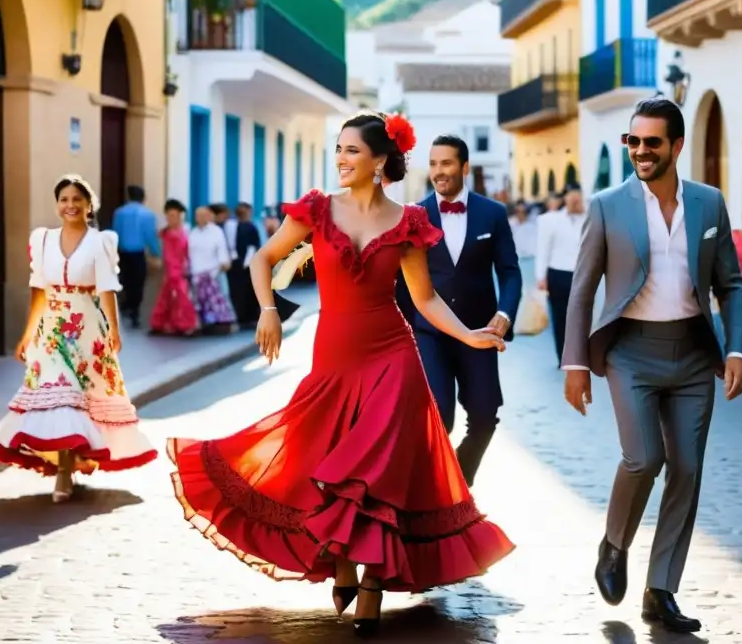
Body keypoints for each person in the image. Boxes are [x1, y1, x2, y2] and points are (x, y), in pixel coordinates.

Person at [166, 112, 514, 638]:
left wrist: (467, 335)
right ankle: (344, 562)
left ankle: (372, 582)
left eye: (352, 151)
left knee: (377, 470)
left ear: (379, 161)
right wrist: (267, 311)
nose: (342, 159)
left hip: (392, 357)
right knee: (325, 461)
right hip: (333, 357)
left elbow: (424, 298)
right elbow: (263, 259)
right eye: (339, 149)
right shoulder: (315, 210)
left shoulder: (408, 223)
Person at [561, 97, 742, 634]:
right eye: (632, 141)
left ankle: (660, 588)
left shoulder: (710, 204)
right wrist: (576, 362)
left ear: (676, 146)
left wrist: (737, 348)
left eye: (651, 142)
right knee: (644, 459)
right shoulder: (606, 205)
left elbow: (731, 285)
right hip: (631, 354)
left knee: (687, 469)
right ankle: (614, 543)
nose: (640, 151)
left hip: (693, 355)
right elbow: (582, 290)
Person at [0, 175, 157, 502]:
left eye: (77, 199)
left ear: (88, 205)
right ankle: (63, 472)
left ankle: (73, 460)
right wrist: (26, 335)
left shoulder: (101, 241)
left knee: (82, 400)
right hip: (50, 332)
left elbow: (107, 291)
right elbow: (38, 290)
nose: (70, 205)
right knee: (60, 398)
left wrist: (114, 331)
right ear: (57, 204)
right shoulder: (43, 240)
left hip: (87, 331)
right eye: (64, 199)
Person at [400, 134, 522, 487]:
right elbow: (402, 283)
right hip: (431, 334)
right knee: (440, 417)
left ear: (464, 167)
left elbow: (510, 272)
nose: (439, 171)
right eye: (434, 164)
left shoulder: (493, 214)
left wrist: (505, 313)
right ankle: (433, 494)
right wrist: (407, 331)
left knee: (485, 416)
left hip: (480, 333)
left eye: (447, 163)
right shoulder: (414, 215)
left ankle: (457, 482)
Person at [535, 182, 586, 365]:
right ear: (564, 198)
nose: (575, 199)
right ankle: (563, 357)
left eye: (578, 195)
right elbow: (543, 250)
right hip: (557, 274)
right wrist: (541, 276)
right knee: (559, 317)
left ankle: (580, 355)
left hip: (582, 275)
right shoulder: (550, 220)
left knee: (581, 317)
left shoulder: (589, 218)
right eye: (571, 195)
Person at [111, 184, 161, 329]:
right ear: (143, 198)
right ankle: (135, 312)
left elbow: (115, 232)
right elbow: (150, 236)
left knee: (125, 281)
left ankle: (125, 306)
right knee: (138, 282)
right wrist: (156, 252)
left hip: (123, 253)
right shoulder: (148, 214)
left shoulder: (119, 213)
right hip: (138, 253)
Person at [149, 199, 199, 336]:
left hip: (179, 272)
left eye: (174, 216)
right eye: (169, 216)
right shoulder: (164, 233)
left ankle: (186, 325)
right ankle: (161, 325)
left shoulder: (185, 232)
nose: (171, 219)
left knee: (181, 299)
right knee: (165, 300)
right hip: (168, 271)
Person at [188, 206, 237, 332]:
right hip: (197, 272)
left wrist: (223, 262)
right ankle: (203, 323)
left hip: (213, 271)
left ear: (209, 216)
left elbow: (221, 249)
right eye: (198, 216)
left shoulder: (216, 232)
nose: (200, 218)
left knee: (217, 299)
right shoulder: (193, 233)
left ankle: (223, 324)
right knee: (199, 300)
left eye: (203, 215)